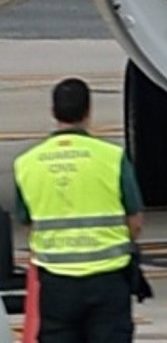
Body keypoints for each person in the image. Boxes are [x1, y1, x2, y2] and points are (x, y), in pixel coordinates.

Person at [13, 78, 144, 342]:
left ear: (53, 112)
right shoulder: (111, 157)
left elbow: (27, 220)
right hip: (108, 278)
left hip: (57, 283)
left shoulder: (27, 163)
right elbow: (135, 219)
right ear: (88, 112)